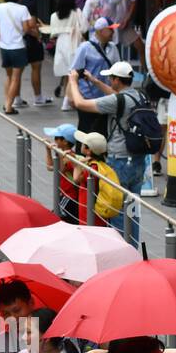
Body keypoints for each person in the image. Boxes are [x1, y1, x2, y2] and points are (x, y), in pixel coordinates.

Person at [67, 61, 144, 239]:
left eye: (111, 77)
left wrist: (72, 81)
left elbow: (79, 103)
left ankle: (119, 254)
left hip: (119, 161)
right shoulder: (138, 96)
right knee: (133, 210)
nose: (109, 80)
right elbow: (116, 97)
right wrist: (94, 81)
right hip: (138, 162)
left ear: (117, 80)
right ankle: (133, 249)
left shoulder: (117, 100)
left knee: (115, 208)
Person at [0, 0, 39, 115]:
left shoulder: (1, 7)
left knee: (8, 76)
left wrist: (0, 36)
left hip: (4, 47)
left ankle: (8, 102)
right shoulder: (22, 9)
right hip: (18, 47)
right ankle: (8, 106)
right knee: (16, 78)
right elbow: (26, 28)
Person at [68, 18, 120, 134]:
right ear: (101, 31)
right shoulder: (85, 48)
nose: (113, 32)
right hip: (88, 98)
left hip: (107, 97)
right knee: (86, 131)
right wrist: (71, 95)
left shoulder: (113, 48)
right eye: (110, 30)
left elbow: (117, 70)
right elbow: (74, 73)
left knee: (104, 131)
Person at [69, 130, 120, 228]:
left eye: (83, 144)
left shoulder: (91, 168)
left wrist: (78, 164)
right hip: (98, 211)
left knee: (90, 233)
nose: (81, 145)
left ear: (88, 150)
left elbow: (76, 179)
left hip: (89, 212)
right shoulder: (100, 165)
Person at [17, 0, 53, 107]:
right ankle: (38, 97)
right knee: (36, 67)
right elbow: (31, 24)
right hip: (30, 39)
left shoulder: (18, 0)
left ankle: (17, 98)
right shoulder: (30, 2)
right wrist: (38, 35)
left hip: (18, 39)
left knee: (18, 70)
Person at [48, 0, 85, 111]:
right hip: (73, 42)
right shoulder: (77, 12)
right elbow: (84, 28)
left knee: (66, 72)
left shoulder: (54, 16)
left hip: (60, 43)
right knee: (73, 73)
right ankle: (67, 102)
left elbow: (53, 33)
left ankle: (67, 98)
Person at [43, 124, 81, 224]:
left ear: (65, 141)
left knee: (55, 218)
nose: (54, 140)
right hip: (64, 194)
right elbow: (50, 167)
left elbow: (60, 169)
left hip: (70, 197)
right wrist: (48, 150)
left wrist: (59, 154)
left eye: (56, 138)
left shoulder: (70, 156)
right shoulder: (62, 154)